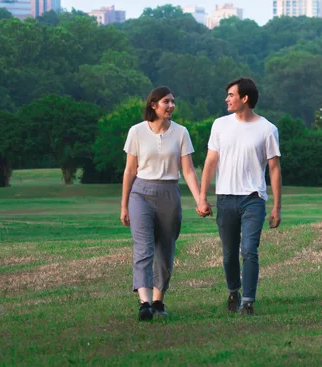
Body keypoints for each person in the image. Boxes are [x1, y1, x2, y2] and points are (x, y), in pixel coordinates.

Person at [120, 86, 206, 322]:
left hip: (169, 193)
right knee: (143, 249)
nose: (171, 106)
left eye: (173, 102)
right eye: (166, 102)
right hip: (141, 193)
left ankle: (158, 300)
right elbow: (129, 170)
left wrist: (200, 199)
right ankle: (144, 303)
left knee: (165, 251)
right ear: (153, 105)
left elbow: (188, 171)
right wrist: (124, 205)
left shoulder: (181, 133)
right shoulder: (136, 132)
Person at [198, 77, 281, 315]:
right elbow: (210, 161)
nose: (227, 99)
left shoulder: (267, 129)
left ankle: (248, 301)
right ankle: (233, 291)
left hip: (253, 198)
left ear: (245, 98)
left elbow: (274, 168)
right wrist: (202, 197)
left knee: (249, 250)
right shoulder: (220, 125)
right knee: (228, 254)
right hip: (225, 198)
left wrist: (277, 206)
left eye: (231, 95)